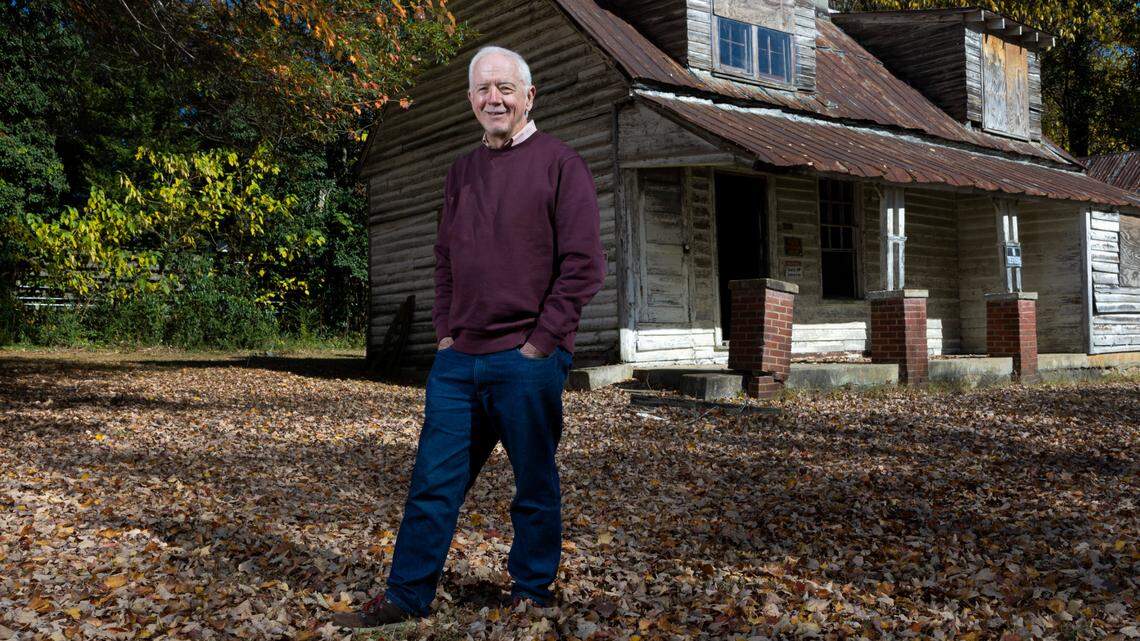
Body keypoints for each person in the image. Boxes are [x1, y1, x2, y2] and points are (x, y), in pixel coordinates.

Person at [332, 45, 606, 629]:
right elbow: (444, 258)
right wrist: (444, 333)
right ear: (470, 101)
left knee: (532, 484)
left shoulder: (562, 163)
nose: (494, 99)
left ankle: (531, 591)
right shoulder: (461, 171)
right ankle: (406, 597)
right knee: (433, 482)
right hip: (459, 364)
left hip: (526, 361)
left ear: (529, 96)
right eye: (483, 90)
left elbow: (583, 265)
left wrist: (542, 342)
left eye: (506, 88)